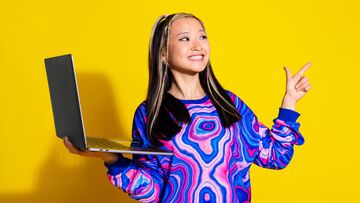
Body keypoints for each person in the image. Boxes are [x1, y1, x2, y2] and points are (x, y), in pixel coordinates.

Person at [63, 13, 312, 203]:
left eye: (202, 36)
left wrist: (289, 102)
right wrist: (109, 157)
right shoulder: (149, 114)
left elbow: (276, 157)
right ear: (163, 53)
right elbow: (152, 189)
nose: (197, 45)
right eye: (185, 38)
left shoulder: (230, 105)